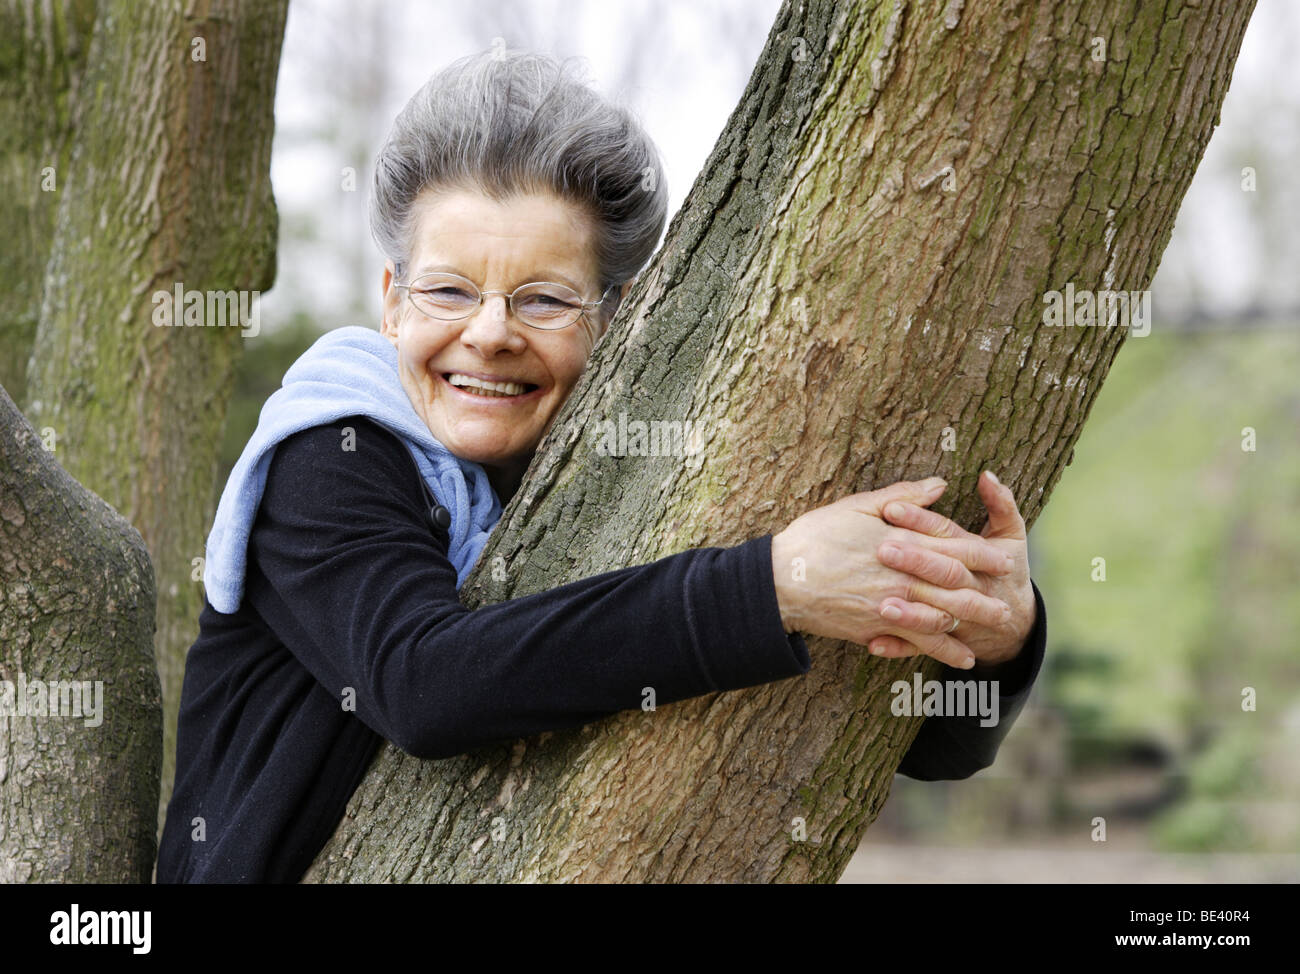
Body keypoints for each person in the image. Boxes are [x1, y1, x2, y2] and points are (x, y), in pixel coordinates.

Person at [157, 50, 1046, 884]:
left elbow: (924, 747)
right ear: (392, 304)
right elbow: (423, 686)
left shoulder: (625, 479)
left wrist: (993, 633)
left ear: (616, 320)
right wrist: (775, 584)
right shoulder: (331, 448)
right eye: (449, 290)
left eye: (544, 299)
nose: (491, 330)